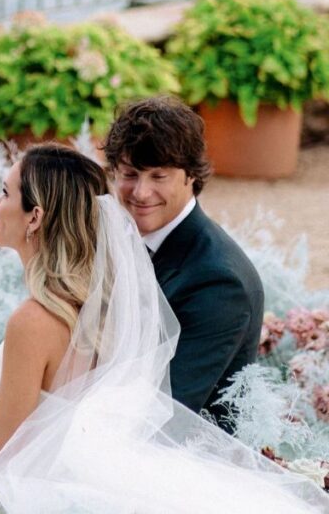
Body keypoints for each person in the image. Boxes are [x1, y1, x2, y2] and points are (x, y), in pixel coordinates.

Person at [0, 144, 328, 513]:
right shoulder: (107, 306)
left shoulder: (34, 320)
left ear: (35, 217)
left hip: (45, 484)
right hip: (100, 473)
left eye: (5, 193)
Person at [103, 95, 263, 428]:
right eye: (130, 174)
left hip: (185, 459)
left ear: (190, 175)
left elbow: (169, 410)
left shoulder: (218, 282)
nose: (140, 193)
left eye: (158, 176)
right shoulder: (123, 239)